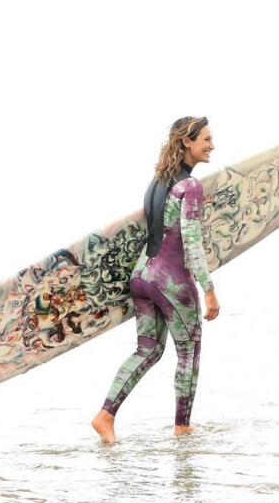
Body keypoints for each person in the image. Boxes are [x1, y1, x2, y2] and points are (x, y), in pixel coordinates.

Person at [92, 116, 221, 444]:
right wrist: (209, 290)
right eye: (205, 139)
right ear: (186, 143)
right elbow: (191, 244)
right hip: (171, 281)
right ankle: (182, 428)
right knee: (189, 353)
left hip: (142, 275)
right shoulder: (189, 187)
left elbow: (156, 227)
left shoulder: (158, 182)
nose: (212, 145)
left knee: (147, 350)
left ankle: (105, 416)